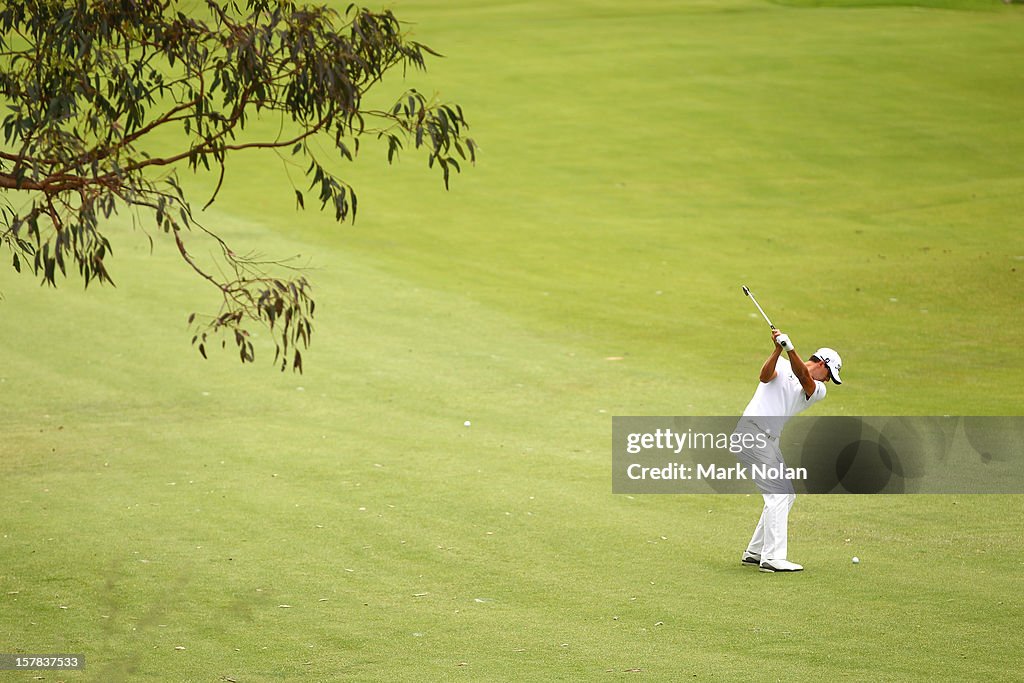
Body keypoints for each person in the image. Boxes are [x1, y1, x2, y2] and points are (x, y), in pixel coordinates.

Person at [733, 329, 843, 573]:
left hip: (767, 439)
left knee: (785, 495)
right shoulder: (782, 364)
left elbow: (804, 377)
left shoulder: (817, 389)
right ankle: (772, 557)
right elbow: (764, 377)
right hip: (752, 433)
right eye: (830, 374)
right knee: (779, 496)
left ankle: (755, 551)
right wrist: (777, 350)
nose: (828, 381)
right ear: (823, 364)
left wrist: (791, 349)